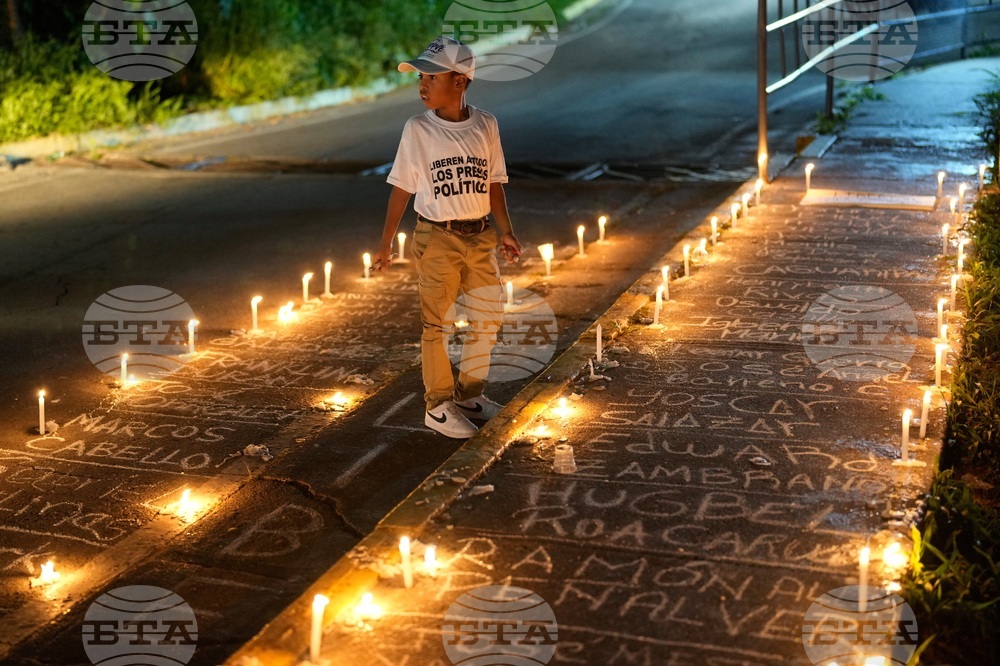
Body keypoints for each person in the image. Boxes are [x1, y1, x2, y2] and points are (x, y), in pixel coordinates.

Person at [373, 35, 522, 439]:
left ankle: (469, 396)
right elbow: (402, 187)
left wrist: (505, 230)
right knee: (436, 323)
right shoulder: (418, 129)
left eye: (432, 77)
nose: (422, 85)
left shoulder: (486, 124)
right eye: (420, 77)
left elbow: (494, 182)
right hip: (437, 237)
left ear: (459, 82)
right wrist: (386, 242)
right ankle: (437, 406)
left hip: (480, 238)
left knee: (488, 317)